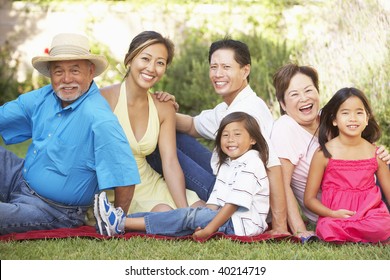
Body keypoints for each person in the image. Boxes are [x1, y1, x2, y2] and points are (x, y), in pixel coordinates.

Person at [0, 33, 140, 235]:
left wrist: (116, 221)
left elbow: (125, 178)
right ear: (50, 74)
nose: (66, 79)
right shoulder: (43, 96)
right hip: (20, 178)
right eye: (59, 71)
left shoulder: (100, 119)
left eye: (75, 70)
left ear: (91, 72)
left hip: (53, 210)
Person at [149, 38, 288, 235]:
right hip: (224, 178)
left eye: (226, 67)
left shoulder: (249, 111)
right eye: (214, 67)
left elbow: (273, 167)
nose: (218, 74)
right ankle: (184, 206)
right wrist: (160, 108)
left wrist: (280, 225)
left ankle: (182, 211)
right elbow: (190, 125)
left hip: (238, 196)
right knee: (174, 135)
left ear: (245, 70)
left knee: (157, 145)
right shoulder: (228, 107)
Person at [94, 112, 270, 238]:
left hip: (241, 225)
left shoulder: (252, 162)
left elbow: (232, 204)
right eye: (225, 135)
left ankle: (121, 223)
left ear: (253, 140)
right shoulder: (228, 164)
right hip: (226, 218)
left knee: (187, 216)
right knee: (187, 218)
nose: (230, 139)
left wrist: (208, 229)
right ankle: (115, 222)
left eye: (237, 134)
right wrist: (202, 217)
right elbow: (216, 200)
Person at [271, 63, 390, 238]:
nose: (304, 98)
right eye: (294, 94)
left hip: (369, 192)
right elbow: (282, 182)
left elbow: (359, 147)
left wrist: (381, 153)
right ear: (283, 103)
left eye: (308, 90)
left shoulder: (327, 118)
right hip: (332, 208)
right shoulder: (285, 127)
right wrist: (299, 229)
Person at [99, 31, 203, 220]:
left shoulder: (164, 107)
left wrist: (184, 210)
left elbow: (170, 162)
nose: (151, 68)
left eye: (160, 62)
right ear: (129, 59)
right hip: (120, 190)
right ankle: (121, 220)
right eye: (145, 59)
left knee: (202, 211)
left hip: (152, 184)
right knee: (165, 214)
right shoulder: (104, 99)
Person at [304, 87, 390, 243]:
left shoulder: (376, 154)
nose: (353, 118)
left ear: (366, 118)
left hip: (370, 214)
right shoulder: (323, 154)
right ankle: (359, 234)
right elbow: (309, 199)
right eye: (345, 113)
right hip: (335, 217)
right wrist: (332, 213)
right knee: (328, 227)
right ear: (334, 120)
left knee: (382, 225)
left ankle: (361, 233)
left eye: (359, 112)